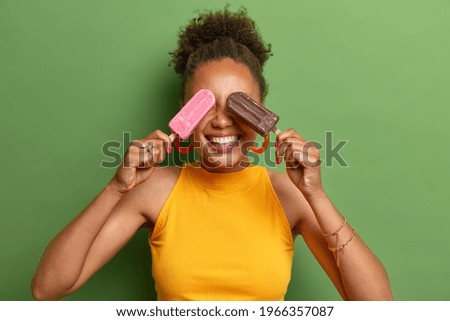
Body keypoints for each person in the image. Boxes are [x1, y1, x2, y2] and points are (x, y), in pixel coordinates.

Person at [31, 7, 393, 301]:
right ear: (183, 114)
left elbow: (378, 307)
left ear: (261, 111)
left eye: (239, 105)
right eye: (205, 105)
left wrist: (316, 194)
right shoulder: (155, 189)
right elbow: (48, 288)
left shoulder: (289, 195)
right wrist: (115, 188)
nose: (222, 121)